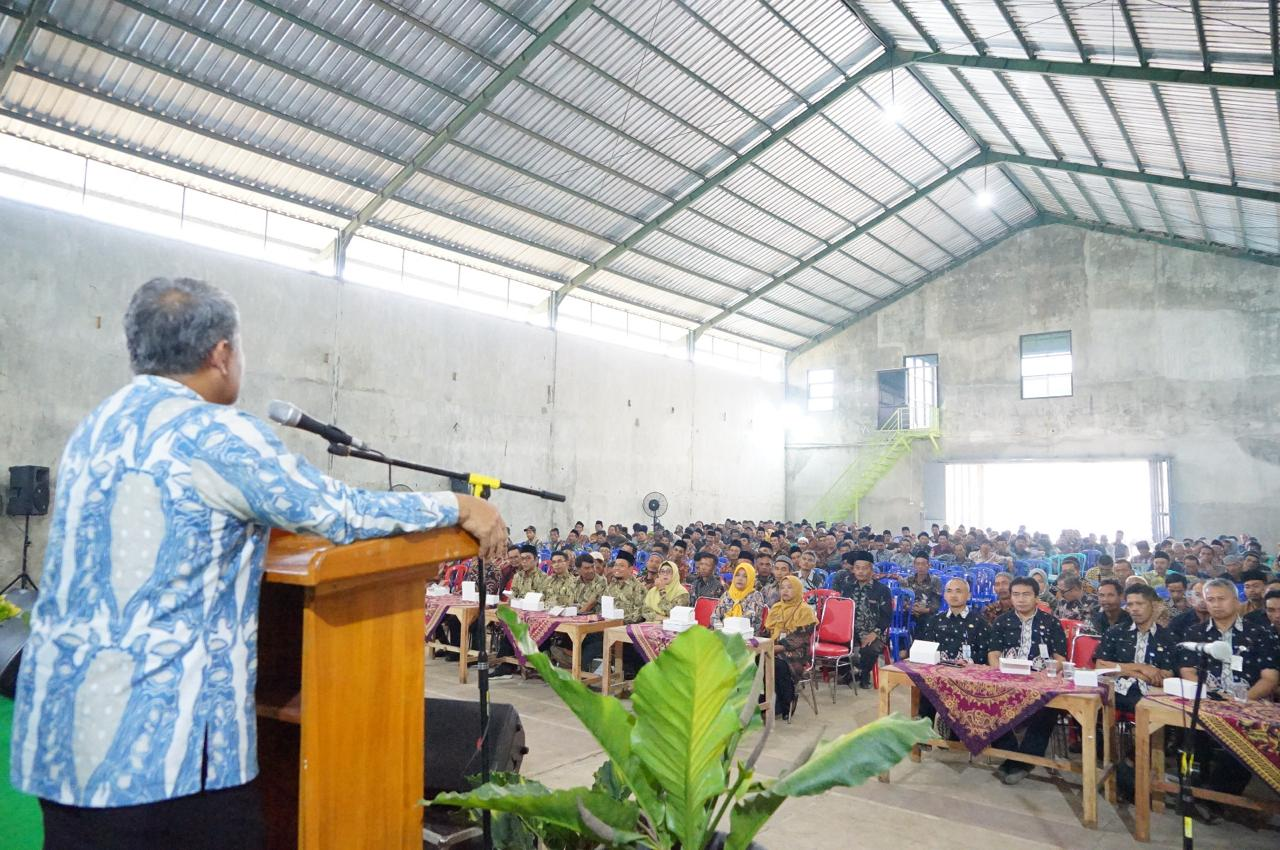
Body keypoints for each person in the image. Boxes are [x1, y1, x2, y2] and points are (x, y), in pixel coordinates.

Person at [10, 278, 507, 850]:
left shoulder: (96, 426)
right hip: (159, 751)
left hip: (64, 733)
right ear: (221, 353)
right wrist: (458, 503)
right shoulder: (218, 435)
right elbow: (340, 512)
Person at [1178, 578, 1280, 822]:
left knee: (1243, 740)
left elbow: (1270, 677)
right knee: (1188, 728)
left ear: (1236, 601)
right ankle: (1197, 789)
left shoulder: (1259, 633)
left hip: (1248, 702)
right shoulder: (1196, 632)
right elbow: (1187, 670)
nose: (1215, 605)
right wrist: (1206, 694)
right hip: (1206, 700)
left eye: (1221, 599)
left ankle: (1215, 799)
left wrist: (1241, 700)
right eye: (1210, 599)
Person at [987, 577, 1068, 785]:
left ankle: (1022, 762)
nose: (1020, 599)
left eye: (1026, 594)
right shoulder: (1002, 621)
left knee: (1049, 706)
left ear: (1036, 596)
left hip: (1040, 680)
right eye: (1016, 595)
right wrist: (1000, 671)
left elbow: (1060, 659)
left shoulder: (1051, 623)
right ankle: (1013, 756)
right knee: (986, 701)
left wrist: (1044, 675)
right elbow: (993, 654)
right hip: (1007, 679)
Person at [1094, 584, 1174, 712]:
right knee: (1090, 700)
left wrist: (1120, 669)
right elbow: (1100, 666)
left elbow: (1165, 677)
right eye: (1130, 605)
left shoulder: (1166, 637)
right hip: (1116, 691)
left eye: (1140, 604)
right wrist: (1141, 669)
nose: (1134, 609)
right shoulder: (1116, 631)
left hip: (1152, 696)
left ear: (1153, 605)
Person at [763, 576, 818, 720]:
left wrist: (777, 648)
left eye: (790, 587)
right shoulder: (776, 607)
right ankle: (767, 699)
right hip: (773, 647)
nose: (785, 591)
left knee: (778, 664)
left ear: (798, 589)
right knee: (757, 659)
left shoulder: (805, 611)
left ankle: (786, 701)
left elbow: (800, 637)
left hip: (796, 652)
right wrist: (759, 642)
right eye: (782, 587)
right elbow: (766, 631)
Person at [838, 551, 892, 689]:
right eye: (857, 568)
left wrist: (874, 633)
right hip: (850, 631)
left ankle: (863, 672)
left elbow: (887, 616)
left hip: (873, 632)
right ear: (853, 569)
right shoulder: (847, 588)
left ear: (871, 569)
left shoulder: (882, 590)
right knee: (837, 644)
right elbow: (842, 611)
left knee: (869, 649)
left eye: (864, 568)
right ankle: (850, 671)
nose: (860, 571)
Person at [712, 563, 766, 633]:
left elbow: (750, 618)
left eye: (745, 576)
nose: (740, 578)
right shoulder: (727, 594)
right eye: (737, 575)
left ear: (751, 578)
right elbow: (715, 616)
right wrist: (720, 628)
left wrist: (729, 628)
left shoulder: (756, 596)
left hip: (746, 636)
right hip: (725, 632)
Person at [904, 554, 942, 624]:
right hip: (910, 610)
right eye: (918, 564)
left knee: (928, 620)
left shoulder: (935, 581)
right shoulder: (908, 580)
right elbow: (903, 598)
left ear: (929, 566)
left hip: (927, 612)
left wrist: (923, 610)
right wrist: (909, 607)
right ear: (914, 566)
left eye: (923, 564)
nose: (920, 567)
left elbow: (936, 602)